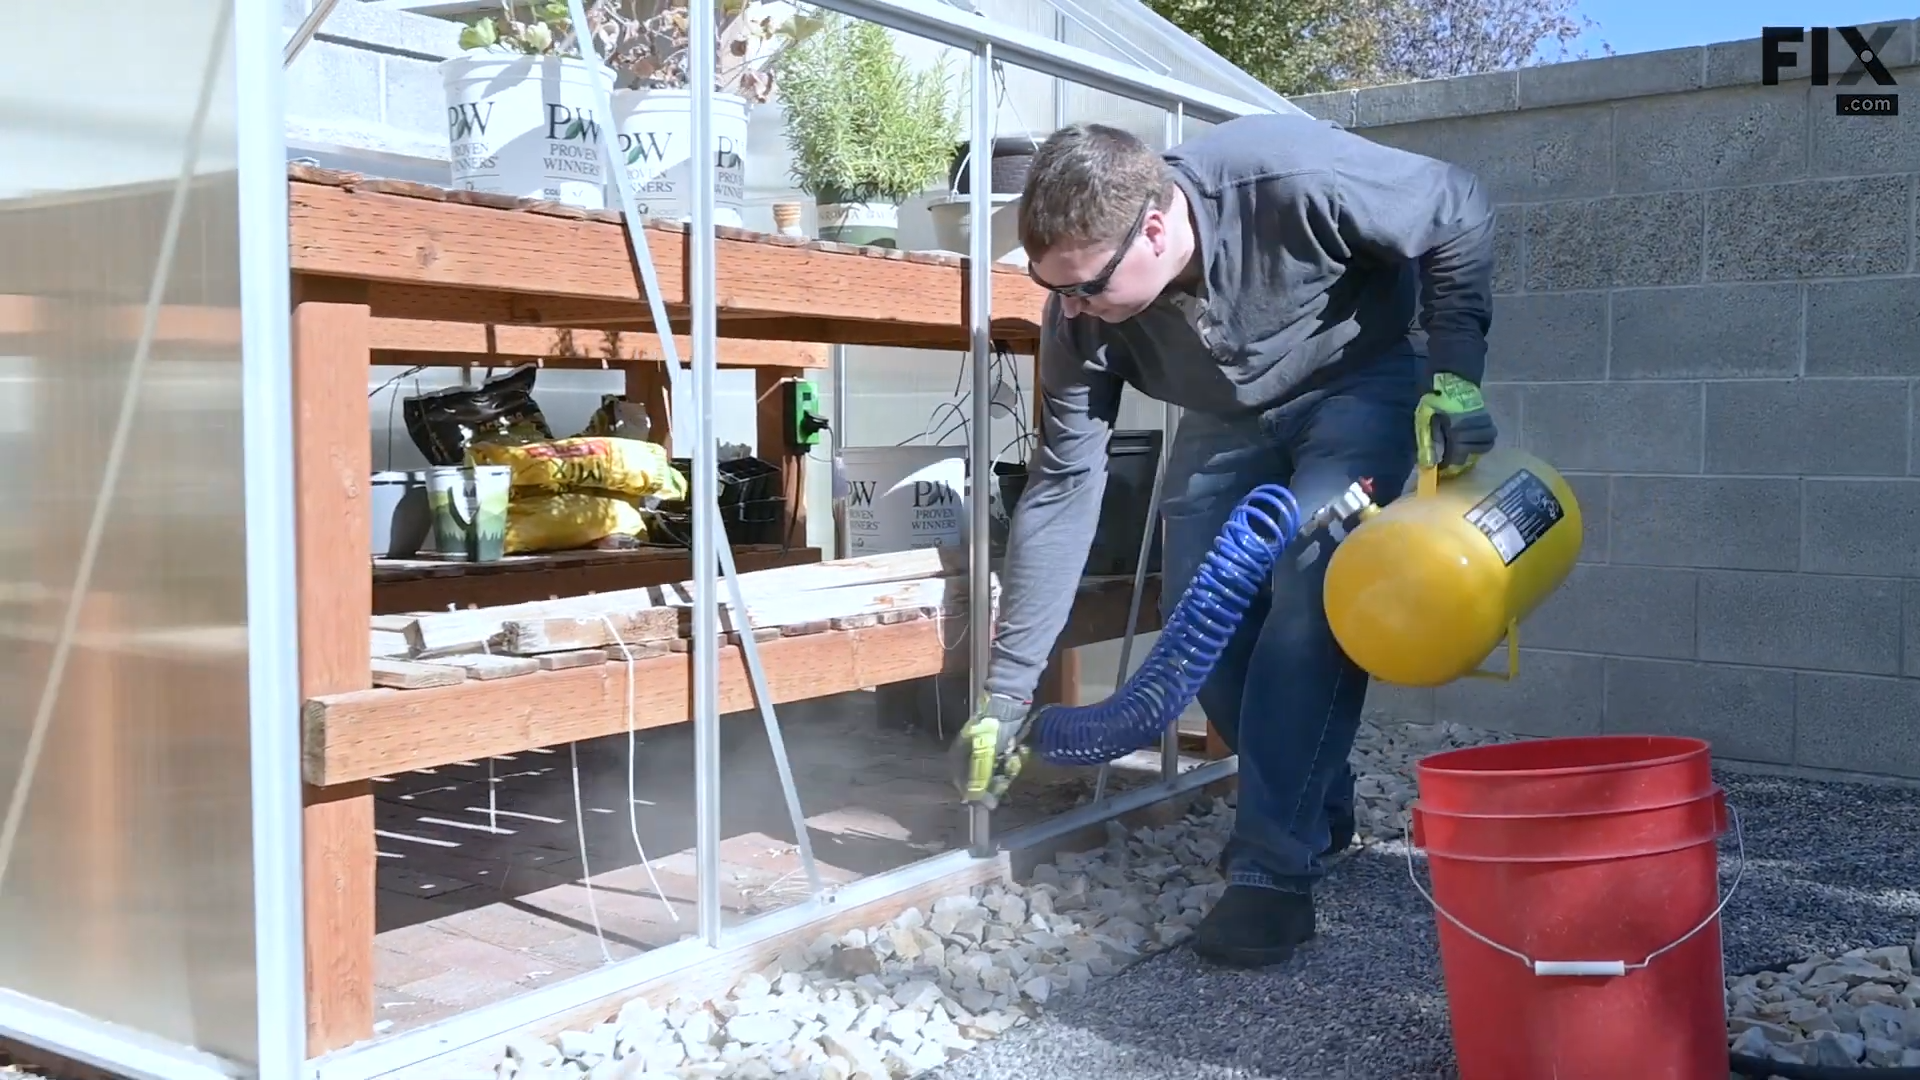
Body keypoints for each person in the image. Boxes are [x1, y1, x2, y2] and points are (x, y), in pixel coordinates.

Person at [954, 114, 1499, 969]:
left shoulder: (1285, 178)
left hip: (1357, 385)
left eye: (1087, 286)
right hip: (1223, 416)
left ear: (1158, 227)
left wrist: (1457, 371)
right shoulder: (1078, 318)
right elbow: (1063, 489)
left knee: (1310, 597)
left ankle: (1272, 875)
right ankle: (1314, 806)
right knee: (1202, 623)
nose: (1070, 308)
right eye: (1053, 286)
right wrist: (1006, 695)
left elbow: (1458, 204)